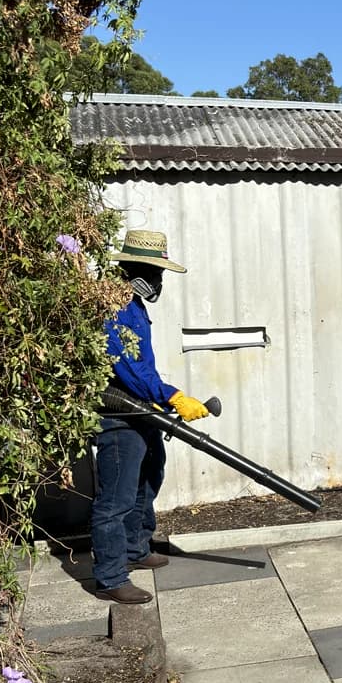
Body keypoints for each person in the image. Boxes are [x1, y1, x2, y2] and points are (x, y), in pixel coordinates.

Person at [91, 229, 210, 605]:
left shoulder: (135, 305)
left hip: (142, 411)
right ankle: (110, 575)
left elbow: (144, 368)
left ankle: (135, 548)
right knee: (116, 498)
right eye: (155, 273)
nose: (159, 282)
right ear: (135, 269)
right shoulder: (113, 306)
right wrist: (171, 395)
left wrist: (163, 400)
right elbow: (126, 368)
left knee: (149, 476)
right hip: (118, 416)